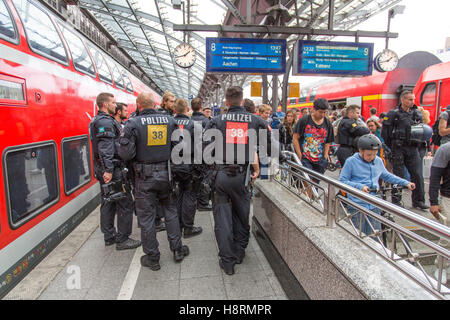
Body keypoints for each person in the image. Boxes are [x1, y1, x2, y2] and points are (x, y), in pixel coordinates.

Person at [118, 92, 189, 271]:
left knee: (147, 218)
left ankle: (153, 257)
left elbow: (126, 154)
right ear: (154, 104)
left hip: (144, 178)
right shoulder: (170, 121)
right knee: (170, 212)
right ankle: (177, 249)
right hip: (167, 175)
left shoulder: (132, 123)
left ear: (138, 105)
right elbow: (180, 148)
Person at [204, 86, 267, 275]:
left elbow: (204, 151)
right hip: (242, 177)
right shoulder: (257, 121)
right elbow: (268, 149)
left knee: (222, 219)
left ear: (226, 101)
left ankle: (228, 262)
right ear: (242, 100)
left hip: (221, 176)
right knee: (242, 214)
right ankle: (240, 252)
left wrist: (210, 173)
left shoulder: (215, 121)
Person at [89, 92, 141, 250]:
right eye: (112, 102)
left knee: (108, 201)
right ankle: (123, 238)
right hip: (113, 170)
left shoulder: (97, 120)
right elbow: (105, 148)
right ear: (105, 104)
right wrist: (109, 170)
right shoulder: (105, 121)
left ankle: (109, 235)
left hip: (104, 168)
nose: (115, 105)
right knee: (125, 202)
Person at [339, 134, 415, 237]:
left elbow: (387, 175)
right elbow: (342, 181)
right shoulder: (351, 162)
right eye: (369, 155)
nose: (372, 157)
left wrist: (406, 183)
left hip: (374, 202)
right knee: (358, 235)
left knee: (375, 235)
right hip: (357, 203)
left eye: (374, 154)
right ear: (360, 151)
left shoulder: (378, 161)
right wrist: (359, 186)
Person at [381, 90, 429, 210]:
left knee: (417, 174)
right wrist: (392, 146)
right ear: (403, 99)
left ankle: (418, 201)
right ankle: (396, 200)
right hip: (398, 147)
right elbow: (385, 133)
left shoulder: (416, 113)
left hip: (413, 147)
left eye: (413, 99)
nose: (412, 102)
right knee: (399, 175)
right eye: (409, 99)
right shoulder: (393, 114)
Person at [173, 98, 203, 238]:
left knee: (179, 195)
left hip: (174, 166)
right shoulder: (194, 125)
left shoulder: (169, 123)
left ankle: (178, 224)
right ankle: (188, 227)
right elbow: (199, 148)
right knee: (190, 196)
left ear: (174, 110)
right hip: (190, 165)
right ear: (187, 110)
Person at [293, 98, 334, 177]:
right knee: (309, 182)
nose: (323, 114)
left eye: (325, 112)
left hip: (320, 159)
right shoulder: (304, 120)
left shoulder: (327, 122)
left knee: (315, 184)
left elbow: (328, 141)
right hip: (306, 157)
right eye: (320, 112)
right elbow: (295, 138)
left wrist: (325, 158)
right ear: (314, 110)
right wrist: (300, 155)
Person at [429, 142, 450, 284]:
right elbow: (435, 175)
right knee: (446, 236)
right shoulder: (446, 149)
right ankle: (441, 267)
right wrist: (433, 201)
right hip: (448, 197)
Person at [190, 97, 212, 211]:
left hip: (190, 155)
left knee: (193, 179)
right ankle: (203, 203)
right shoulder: (206, 121)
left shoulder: (189, 120)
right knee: (205, 178)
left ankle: (193, 200)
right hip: (203, 155)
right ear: (201, 107)